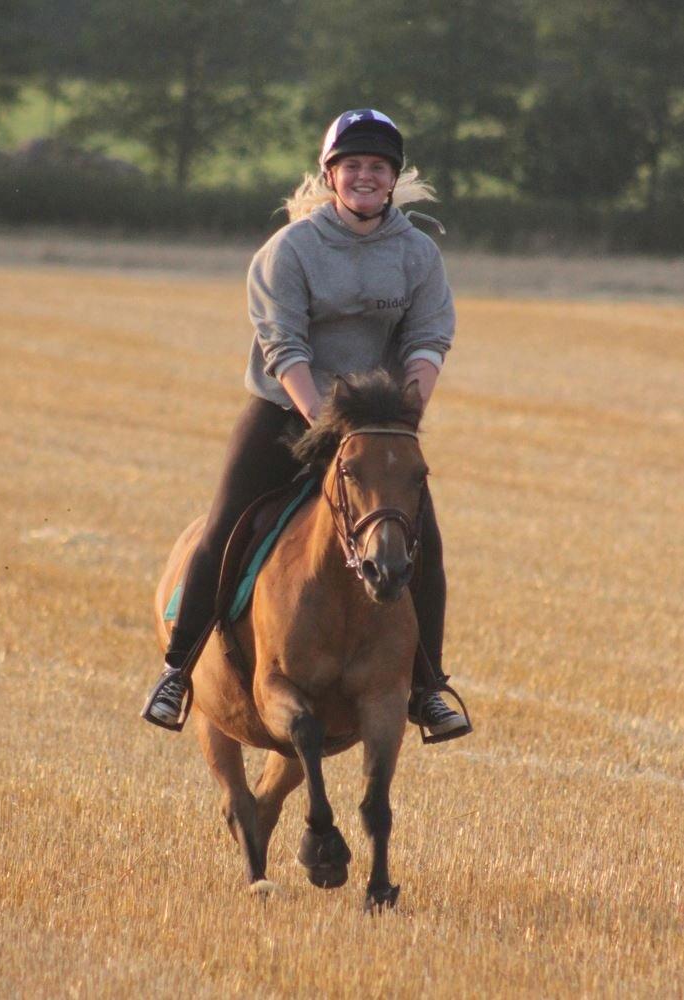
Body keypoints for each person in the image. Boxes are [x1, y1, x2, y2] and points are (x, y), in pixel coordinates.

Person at [142, 108, 472, 743]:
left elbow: (429, 339)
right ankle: (177, 671)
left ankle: (429, 689)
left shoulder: (417, 254)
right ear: (330, 175)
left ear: (393, 177)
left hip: (375, 427)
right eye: (353, 166)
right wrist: (328, 422)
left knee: (422, 540)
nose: (365, 176)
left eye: (378, 167)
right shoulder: (289, 251)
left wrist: (403, 418)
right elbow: (284, 348)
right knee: (225, 526)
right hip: (284, 413)